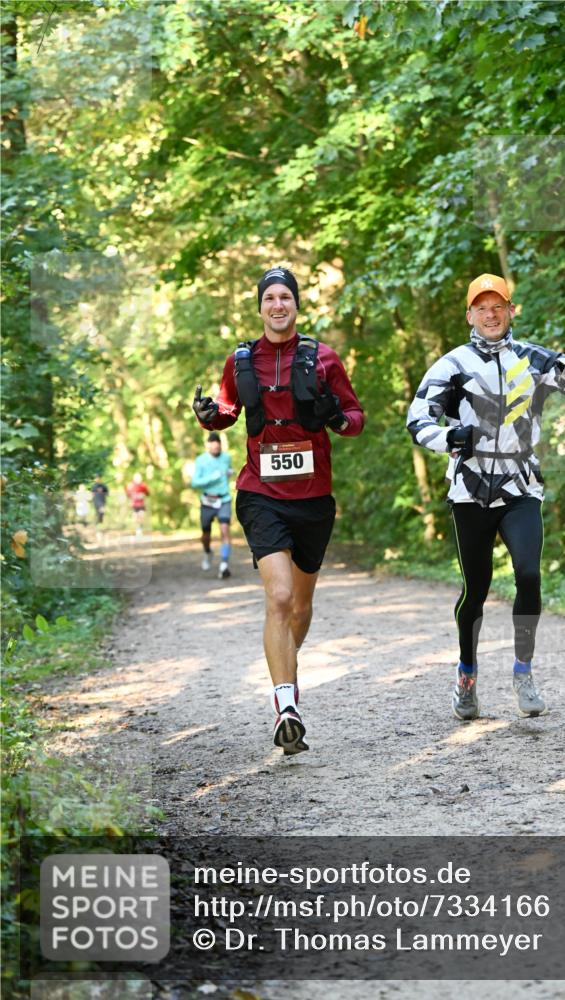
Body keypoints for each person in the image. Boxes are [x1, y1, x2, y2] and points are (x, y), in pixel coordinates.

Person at [407, 273, 565, 722]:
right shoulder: (451, 365)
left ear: (511, 310)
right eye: (482, 308)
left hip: (521, 488)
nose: (491, 315)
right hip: (470, 491)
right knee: (475, 590)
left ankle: (523, 672)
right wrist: (449, 438)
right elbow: (417, 420)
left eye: (498, 306)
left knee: (529, 575)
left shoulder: (534, 359)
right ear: (469, 316)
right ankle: (466, 674)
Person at [192, 266, 364, 755]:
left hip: (314, 498)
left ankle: (285, 664)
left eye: (285, 296)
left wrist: (335, 416)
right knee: (281, 596)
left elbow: (355, 420)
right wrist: (210, 416)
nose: (278, 305)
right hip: (260, 493)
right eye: (269, 297)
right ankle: (286, 707)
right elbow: (228, 411)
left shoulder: (324, 358)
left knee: (301, 608)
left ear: (296, 305)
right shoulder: (241, 360)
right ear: (260, 307)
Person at [191, 431, 234, 577]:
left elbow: (228, 470)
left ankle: (224, 564)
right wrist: (212, 478)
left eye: (218, 448)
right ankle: (207, 551)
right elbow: (195, 482)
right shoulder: (200, 460)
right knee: (206, 535)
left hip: (224, 499)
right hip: (207, 501)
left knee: (224, 530)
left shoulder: (226, 458)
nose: (216, 450)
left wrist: (230, 472)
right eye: (213, 448)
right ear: (208, 446)